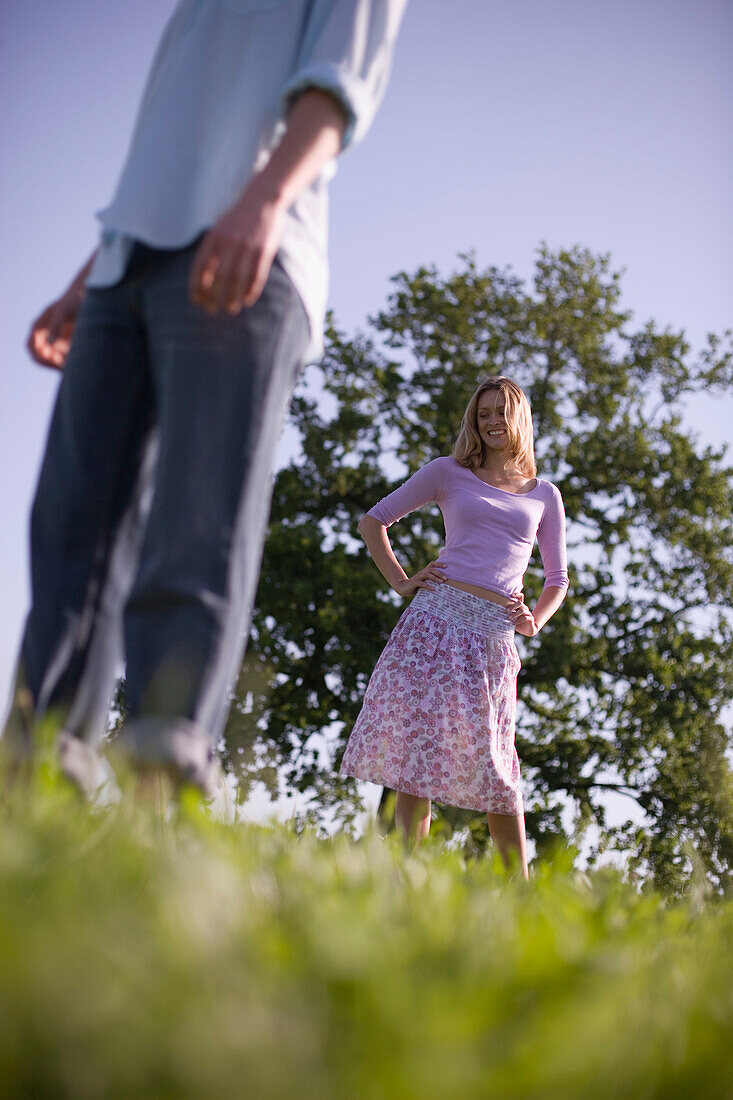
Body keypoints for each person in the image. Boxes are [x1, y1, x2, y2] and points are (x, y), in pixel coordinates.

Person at [2, 0, 408, 797]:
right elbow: (167, 151)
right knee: (72, 522)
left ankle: (164, 758)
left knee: (199, 514)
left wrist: (264, 199)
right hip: (127, 266)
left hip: (253, 241)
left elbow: (338, 82)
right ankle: (33, 765)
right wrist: (94, 273)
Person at [340, 376, 569, 878]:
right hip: (434, 624)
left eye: (500, 412)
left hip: (492, 637)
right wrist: (402, 583)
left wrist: (536, 622)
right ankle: (402, 883)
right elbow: (374, 522)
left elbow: (557, 579)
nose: (491, 421)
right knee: (416, 762)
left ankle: (520, 892)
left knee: (496, 766)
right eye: (482, 412)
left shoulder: (544, 495)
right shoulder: (448, 472)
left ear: (520, 421)